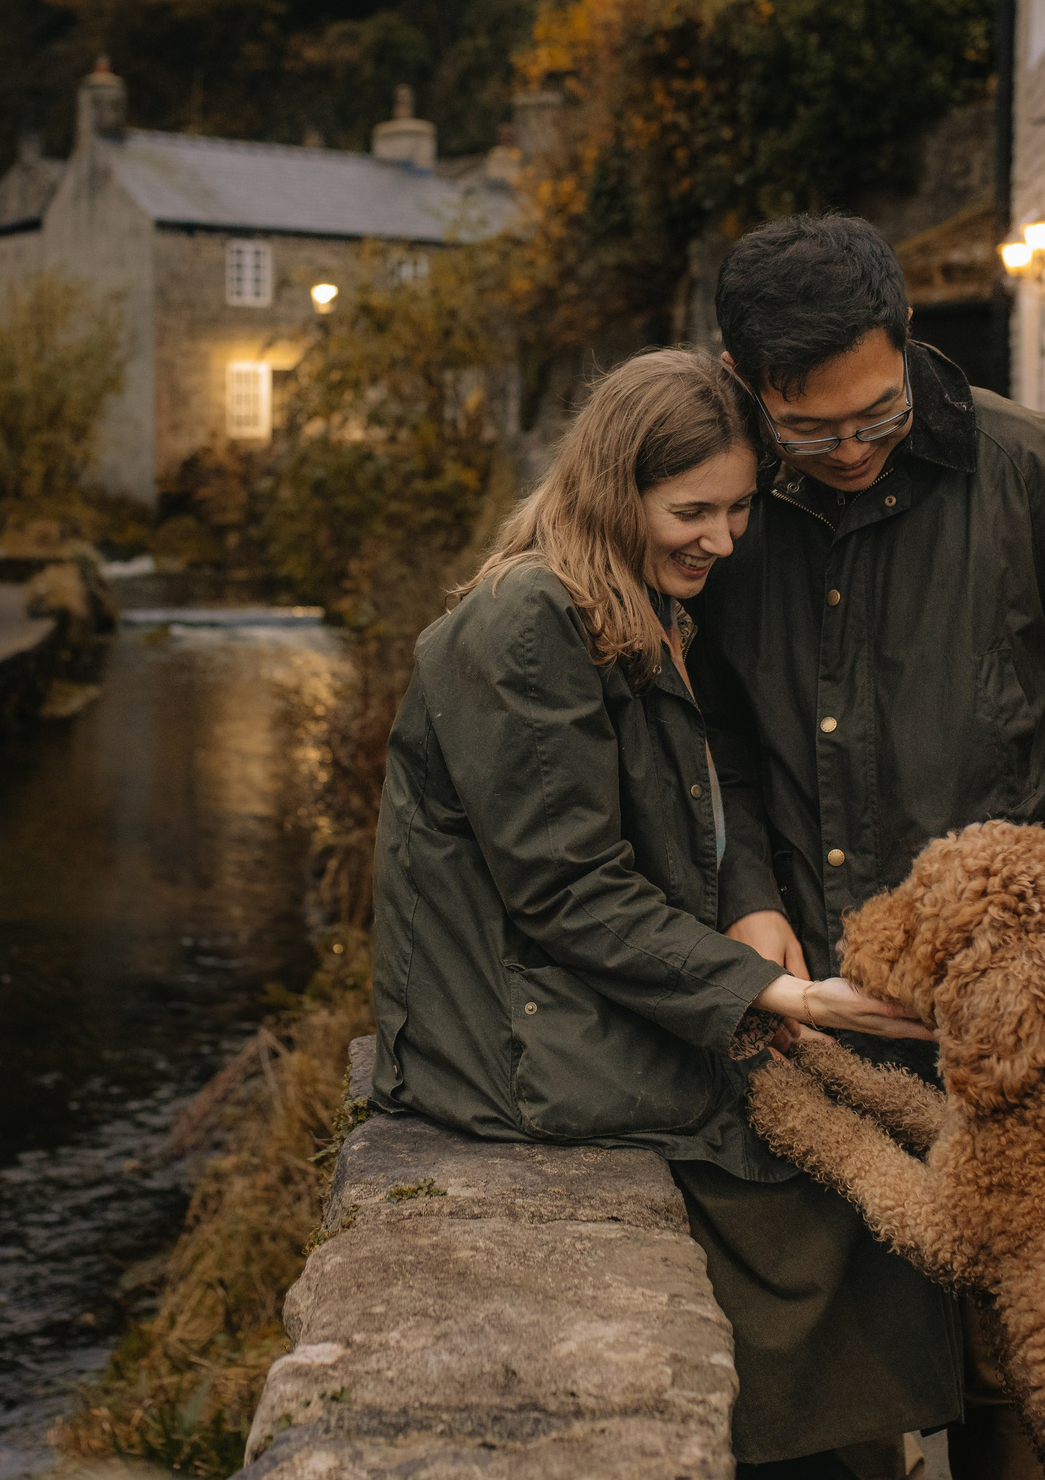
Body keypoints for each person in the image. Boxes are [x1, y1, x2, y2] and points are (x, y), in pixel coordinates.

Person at [372, 348, 962, 1478]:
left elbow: (711, 772)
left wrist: (749, 912)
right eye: (692, 509)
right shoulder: (527, 623)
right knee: (815, 1176)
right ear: (612, 489)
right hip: (504, 1031)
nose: (725, 538)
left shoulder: (636, 592)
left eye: (741, 507)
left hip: (565, 989)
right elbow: (562, 887)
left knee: (872, 1133)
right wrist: (771, 992)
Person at [686, 213, 1045, 1479]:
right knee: (825, 1404)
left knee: (1019, 1389)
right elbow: (719, 741)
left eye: (876, 413)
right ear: (748, 383)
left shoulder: (1030, 468)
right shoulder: (721, 507)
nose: (850, 450)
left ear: (907, 341)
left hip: (1010, 1027)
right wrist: (749, 900)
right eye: (811, 430)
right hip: (812, 1016)